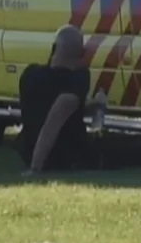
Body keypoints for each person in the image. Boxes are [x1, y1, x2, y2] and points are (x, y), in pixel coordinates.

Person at [16, 27, 99, 175]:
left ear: (53, 48)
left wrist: (91, 105)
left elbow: (46, 106)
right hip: (64, 156)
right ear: (81, 53)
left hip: (28, 150)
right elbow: (54, 119)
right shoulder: (78, 78)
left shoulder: (30, 74)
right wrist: (35, 168)